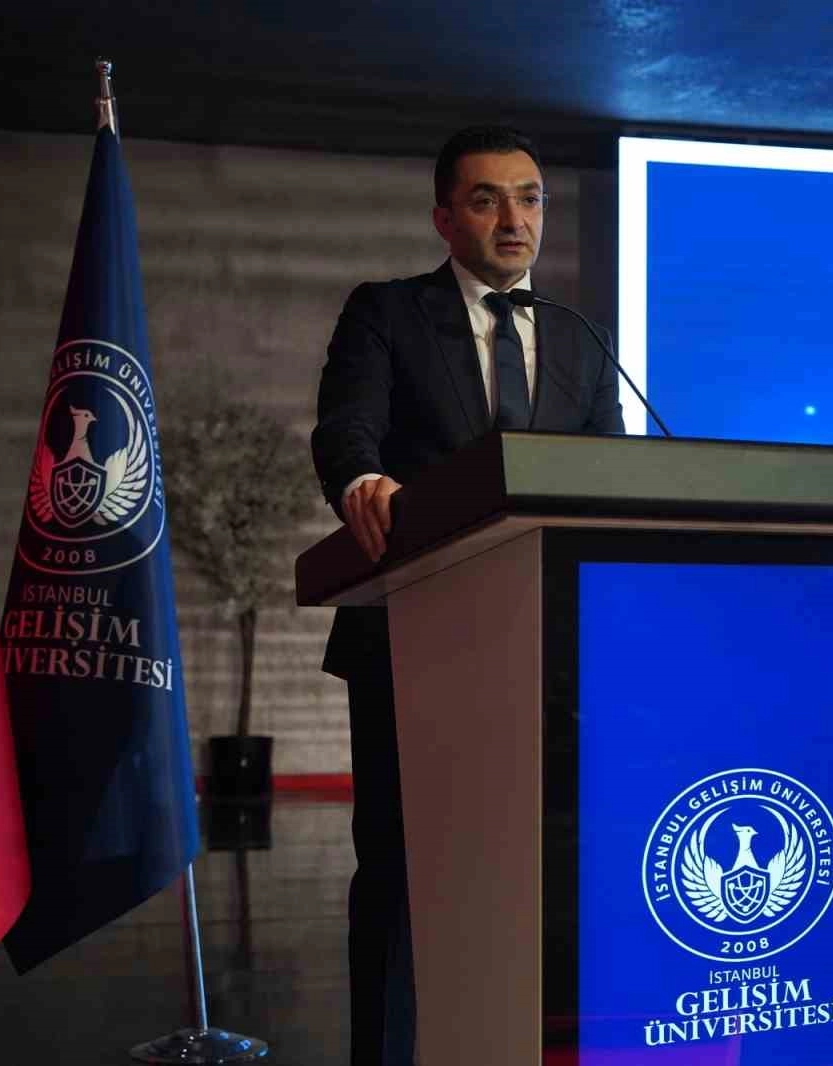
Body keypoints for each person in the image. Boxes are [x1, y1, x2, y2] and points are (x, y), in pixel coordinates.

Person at [310, 125, 624, 1066]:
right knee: (402, 870)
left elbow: (608, 476)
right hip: (416, 629)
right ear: (446, 218)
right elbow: (345, 429)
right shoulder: (388, 313)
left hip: (548, 646)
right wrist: (363, 481)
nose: (514, 218)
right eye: (487, 200)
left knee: (542, 867)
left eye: (530, 198)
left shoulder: (579, 338)